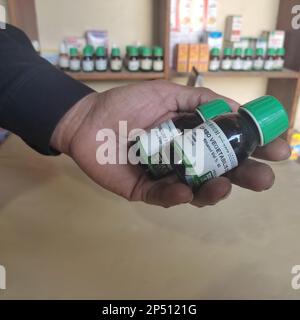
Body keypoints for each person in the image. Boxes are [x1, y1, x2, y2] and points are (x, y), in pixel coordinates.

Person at [0, 24, 291, 208]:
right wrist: (80, 118)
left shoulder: (237, 135)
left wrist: (77, 118)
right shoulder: (223, 124)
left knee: (192, 169)